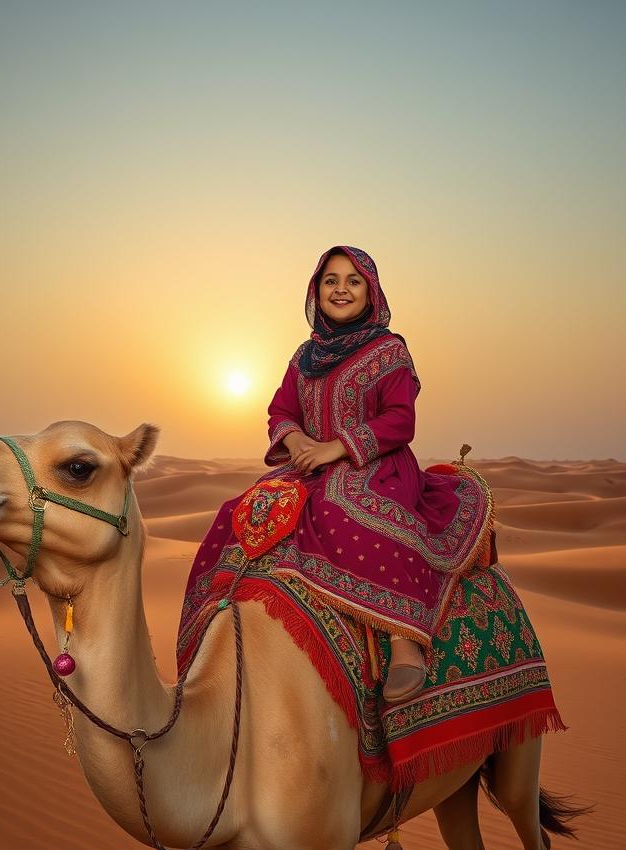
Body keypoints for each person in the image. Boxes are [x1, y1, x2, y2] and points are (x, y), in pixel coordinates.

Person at [177, 244, 495, 703]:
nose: (340, 289)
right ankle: (206, 640)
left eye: (353, 281)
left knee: (351, 511)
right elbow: (280, 410)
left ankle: (405, 644)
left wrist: (335, 447)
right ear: (316, 290)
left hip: (376, 466)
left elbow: (400, 421)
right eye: (331, 280)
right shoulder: (305, 356)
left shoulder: (388, 351)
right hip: (309, 467)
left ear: (371, 293)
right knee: (240, 512)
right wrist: (296, 442)